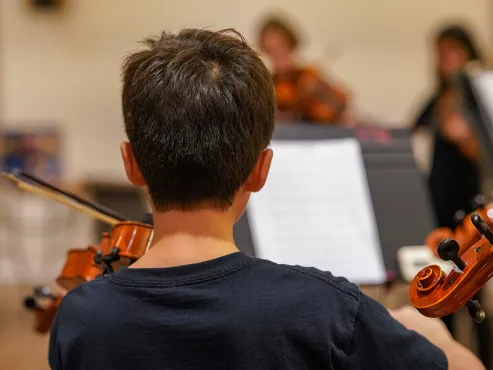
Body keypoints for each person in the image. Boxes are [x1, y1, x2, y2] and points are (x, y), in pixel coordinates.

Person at [48, 28, 483, 370]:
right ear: (261, 170)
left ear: (131, 163)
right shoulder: (326, 309)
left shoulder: (82, 316)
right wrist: (438, 338)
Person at [412, 25, 490, 368]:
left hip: (467, 200)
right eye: (440, 52)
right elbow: (414, 126)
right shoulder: (440, 95)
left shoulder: (475, 96)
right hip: (441, 203)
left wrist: (465, 137)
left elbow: (482, 152)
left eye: (452, 51)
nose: (444, 60)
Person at [258, 16, 351, 124]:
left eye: (280, 47)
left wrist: (318, 91)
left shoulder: (308, 74)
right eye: (271, 50)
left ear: (290, 44)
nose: (277, 55)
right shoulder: (268, 82)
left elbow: (341, 101)